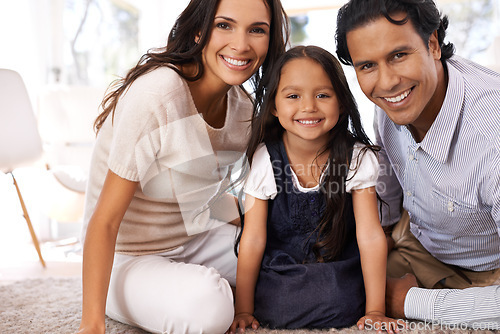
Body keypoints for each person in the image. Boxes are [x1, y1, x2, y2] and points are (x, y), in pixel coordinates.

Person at [77, 0, 289, 333]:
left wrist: (274, 231)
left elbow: (204, 195)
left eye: (257, 30)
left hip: (194, 238)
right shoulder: (156, 95)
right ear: (199, 29)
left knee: (285, 258)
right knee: (208, 308)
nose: (241, 44)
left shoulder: (242, 109)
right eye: (225, 25)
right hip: (126, 256)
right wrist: (91, 325)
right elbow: (104, 222)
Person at [335, 0, 500, 329]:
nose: (386, 82)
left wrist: (410, 301)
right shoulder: (390, 102)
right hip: (419, 242)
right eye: (367, 66)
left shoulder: (491, 140)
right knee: (332, 292)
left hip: (490, 270)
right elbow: (389, 195)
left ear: (433, 44)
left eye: (398, 55)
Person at [228, 45, 399, 333]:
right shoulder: (265, 159)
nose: (309, 107)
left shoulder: (356, 157)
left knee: (339, 297)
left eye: (322, 95)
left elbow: (369, 234)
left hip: (337, 266)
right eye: (293, 96)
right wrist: (243, 310)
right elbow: (254, 238)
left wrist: (375, 310)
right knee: (279, 302)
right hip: (283, 269)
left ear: (342, 102)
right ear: (273, 105)